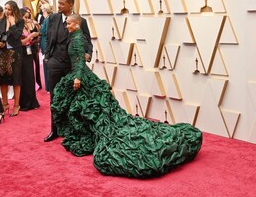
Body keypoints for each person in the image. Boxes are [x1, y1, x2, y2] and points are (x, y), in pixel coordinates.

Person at [51, 14, 202, 178]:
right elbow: (84, 55)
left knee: (84, 109)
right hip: (78, 76)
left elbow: (80, 61)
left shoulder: (78, 38)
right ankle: (86, 134)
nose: (66, 26)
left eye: (68, 24)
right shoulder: (76, 36)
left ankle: (88, 136)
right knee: (82, 110)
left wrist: (78, 77)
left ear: (76, 24)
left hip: (80, 77)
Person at [43, 0, 93, 142]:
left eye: (62, 3)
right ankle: (55, 130)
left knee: (72, 98)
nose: (59, 6)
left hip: (71, 65)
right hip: (55, 63)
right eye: (58, 3)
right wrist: (47, 58)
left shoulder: (80, 20)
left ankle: (72, 130)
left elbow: (87, 41)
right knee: (54, 97)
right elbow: (46, 36)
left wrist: (88, 54)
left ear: (70, 4)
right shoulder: (52, 18)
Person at [0, 0, 24, 117]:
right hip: (3, 52)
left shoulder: (19, 21)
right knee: (3, 80)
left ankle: (16, 105)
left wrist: (13, 24)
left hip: (15, 52)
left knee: (16, 79)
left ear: (14, 10)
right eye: (5, 8)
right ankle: (5, 104)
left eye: (9, 9)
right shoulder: (0, 21)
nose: (6, 11)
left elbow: (17, 36)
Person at [19, 8, 40, 111]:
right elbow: (21, 42)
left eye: (28, 17)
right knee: (24, 78)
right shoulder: (17, 27)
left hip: (29, 52)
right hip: (21, 53)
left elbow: (29, 41)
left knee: (31, 78)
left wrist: (33, 37)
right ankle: (25, 103)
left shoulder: (26, 26)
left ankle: (32, 102)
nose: (27, 19)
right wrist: (31, 36)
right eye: (25, 17)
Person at [39, 3, 53, 92]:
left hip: (45, 43)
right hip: (45, 42)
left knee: (46, 64)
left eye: (42, 10)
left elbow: (43, 31)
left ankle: (49, 86)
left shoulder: (47, 19)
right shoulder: (47, 19)